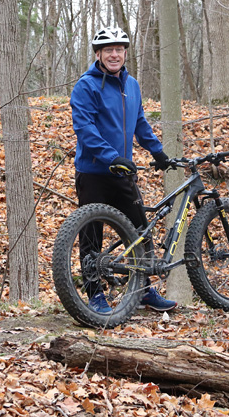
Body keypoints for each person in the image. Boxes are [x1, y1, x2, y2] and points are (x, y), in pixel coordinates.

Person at [69, 26, 177, 314]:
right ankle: (95, 294)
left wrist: (158, 152)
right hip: (93, 172)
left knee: (140, 230)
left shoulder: (132, 85)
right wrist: (112, 156)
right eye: (108, 50)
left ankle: (142, 289)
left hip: (122, 173)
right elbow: (85, 130)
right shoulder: (86, 86)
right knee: (91, 235)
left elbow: (140, 122)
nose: (114, 54)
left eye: (119, 49)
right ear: (98, 54)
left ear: (125, 52)